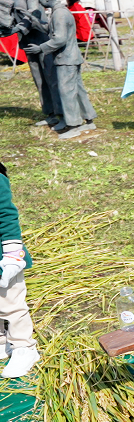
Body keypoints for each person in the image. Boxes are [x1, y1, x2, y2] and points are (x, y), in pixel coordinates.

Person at [24, 0, 97, 140]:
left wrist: (40, 48)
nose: (38, 2)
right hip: (69, 57)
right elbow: (55, 33)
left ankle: (74, 125)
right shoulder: (59, 12)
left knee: (67, 92)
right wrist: (38, 24)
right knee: (77, 90)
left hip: (66, 59)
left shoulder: (60, 14)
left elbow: (60, 39)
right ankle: (89, 119)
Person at [0, 0, 62, 128]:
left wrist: (17, 28)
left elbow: (31, 15)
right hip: (26, 40)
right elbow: (10, 14)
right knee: (38, 79)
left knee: (51, 77)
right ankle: (50, 113)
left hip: (41, 38)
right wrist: (7, 26)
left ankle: (63, 113)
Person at [0, 162, 40, 379]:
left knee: (10, 305)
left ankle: (25, 348)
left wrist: (12, 256)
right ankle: (2, 341)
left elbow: (6, 215)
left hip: (4, 258)